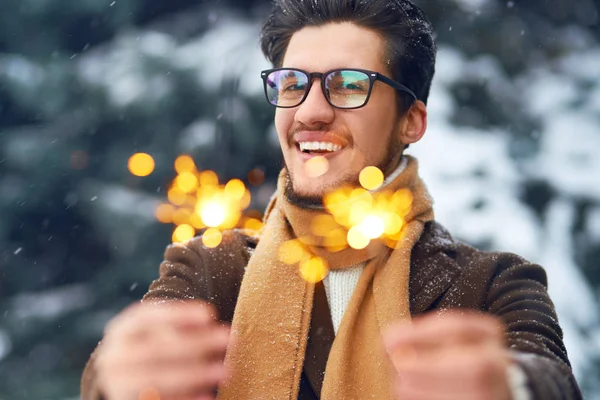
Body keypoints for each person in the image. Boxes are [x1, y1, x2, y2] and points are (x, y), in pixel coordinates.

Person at [81, 0, 583, 399]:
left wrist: (507, 387)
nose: (310, 112)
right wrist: (115, 378)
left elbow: (548, 380)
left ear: (412, 121)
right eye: (292, 83)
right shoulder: (210, 269)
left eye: (347, 85)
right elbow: (114, 380)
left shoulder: (491, 284)